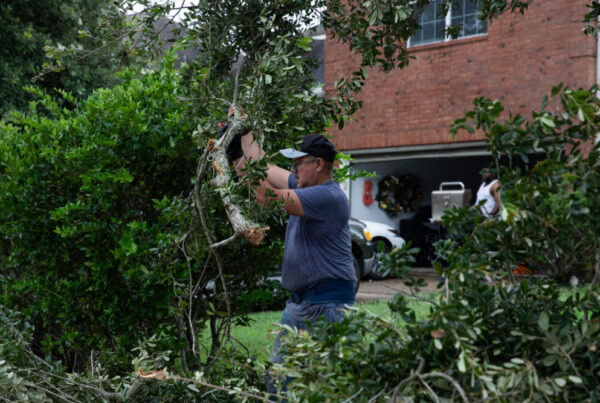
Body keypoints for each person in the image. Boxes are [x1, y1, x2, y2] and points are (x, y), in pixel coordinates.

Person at [224, 126, 355, 365]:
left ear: (318, 164)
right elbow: (263, 165)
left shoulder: (328, 197)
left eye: (298, 163)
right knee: (279, 384)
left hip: (327, 307)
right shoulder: (304, 185)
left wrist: (235, 158)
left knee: (329, 386)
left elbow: (267, 197)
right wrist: (242, 130)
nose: (292, 170)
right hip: (300, 304)